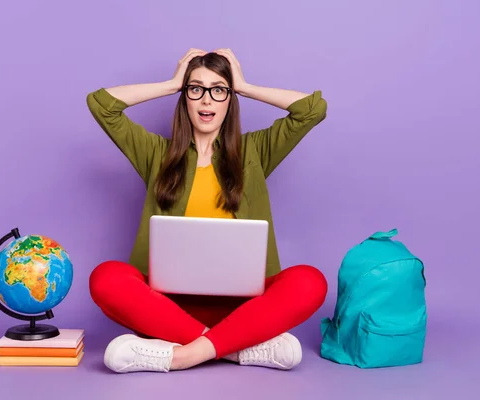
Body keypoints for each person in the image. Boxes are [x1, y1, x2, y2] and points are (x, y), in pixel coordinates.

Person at [87, 48, 329, 373]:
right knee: (105, 278)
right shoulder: (157, 154)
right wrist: (171, 82)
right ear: (185, 97)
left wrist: (244, 85)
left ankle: (183, 355)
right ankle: (233, 348)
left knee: (310, 281)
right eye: (195, 89)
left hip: (244, 309)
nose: (206, 100)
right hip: (169, 309)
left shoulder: (254, 152)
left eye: (218, 90)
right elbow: (101, 105)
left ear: (230, 99)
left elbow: (312, 110)